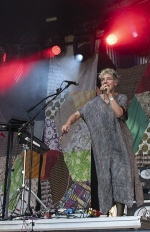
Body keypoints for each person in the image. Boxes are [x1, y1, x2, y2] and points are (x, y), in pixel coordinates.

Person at [61, 68, 142, 216]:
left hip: (120, 147)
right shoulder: (93, 103)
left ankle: (120, 216)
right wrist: (67, 123)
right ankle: (106, 213)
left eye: (108, 78)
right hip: (102, 150)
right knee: (105, 180)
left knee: (120, 178)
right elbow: (77, 114)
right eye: (102, 79)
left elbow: (119, 113)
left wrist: (110, 96)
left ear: (115, 82)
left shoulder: (121, 98)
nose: (105, 81)